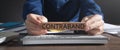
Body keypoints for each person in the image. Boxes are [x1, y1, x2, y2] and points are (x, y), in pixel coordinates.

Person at [23, 0, 104, 35]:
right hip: (42, 31)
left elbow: (89, 4)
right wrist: (35, 16)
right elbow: (33, 3)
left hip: (78, 32)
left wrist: (93, 16)